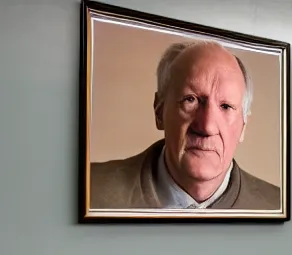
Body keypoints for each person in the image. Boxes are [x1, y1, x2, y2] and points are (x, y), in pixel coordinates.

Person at [89, 41, 280, 210]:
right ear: (159, 111)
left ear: (243, 126)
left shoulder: (275, 205)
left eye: (226, 106)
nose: (207, 127)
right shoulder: (90, 190)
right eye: (191, 100)